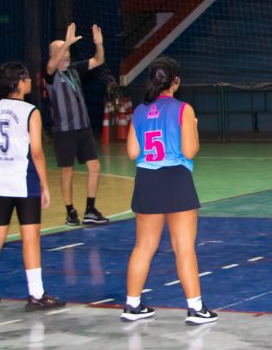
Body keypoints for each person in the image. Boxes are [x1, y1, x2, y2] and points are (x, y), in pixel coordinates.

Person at [121, 57, 218, 325]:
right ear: (176, 81)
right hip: (175, 179)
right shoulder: (183, 109)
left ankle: (132, 304)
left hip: (146, 179)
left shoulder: (140, 110)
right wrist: (194, 128)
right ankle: (196, 308)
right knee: (184, 246)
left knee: (143, 246)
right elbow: (189, 150)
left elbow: (132, 152)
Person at [0, 62, 64, 311]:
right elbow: (36, 152)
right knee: (30, 237)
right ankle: (36, 294)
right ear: (18, 82)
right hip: (22, 179)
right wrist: (45, 186)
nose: (29, 81)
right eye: (26, 77)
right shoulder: (30, 111)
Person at [45, 23, 108, 226]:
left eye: (68, 51)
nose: (66, 54)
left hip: (83, 129)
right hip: (64, 131)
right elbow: (50, 65)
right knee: (67, 170)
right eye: (62, 51)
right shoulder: (51, 75)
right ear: (54, 54)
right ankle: (70, 211)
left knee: (95, 166)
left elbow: (99, 60)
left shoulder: (74, 69)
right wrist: (66, 42)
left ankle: (90, 209)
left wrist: (99, 44)